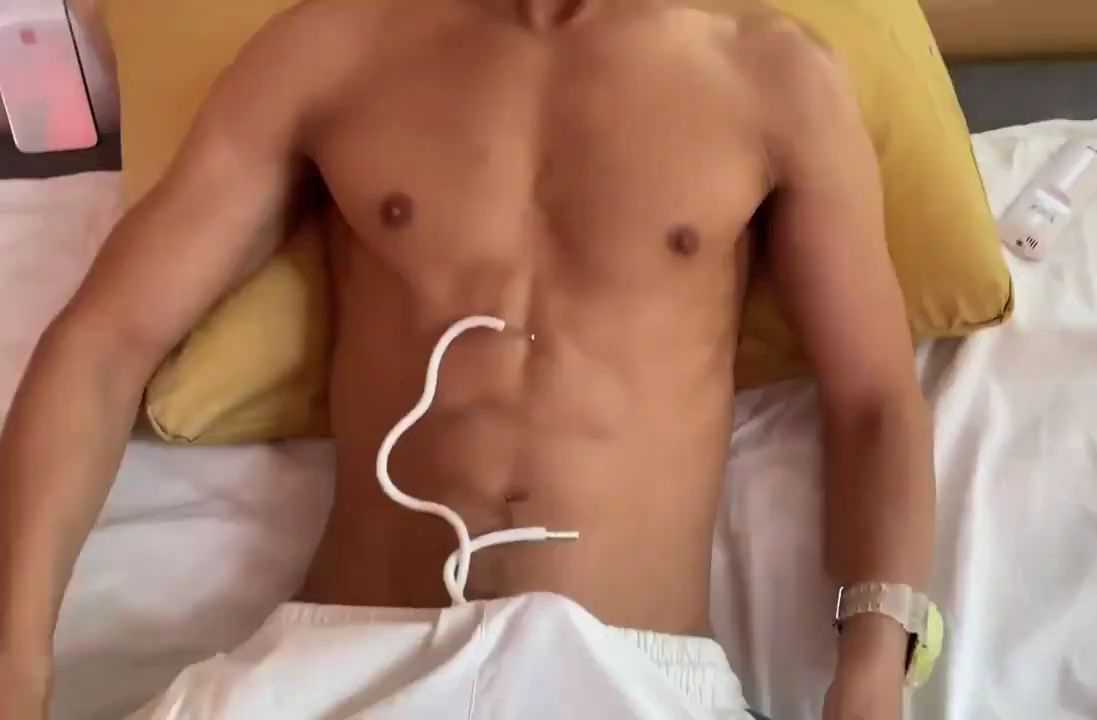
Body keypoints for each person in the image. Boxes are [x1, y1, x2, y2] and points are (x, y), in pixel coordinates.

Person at [0, 0, 936, 717]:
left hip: (631, 678)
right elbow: (105, 342)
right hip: (340, 666)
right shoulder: (336, 47)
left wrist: (870, 674)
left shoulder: (769, 76)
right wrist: (15, 666)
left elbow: (875, 402)